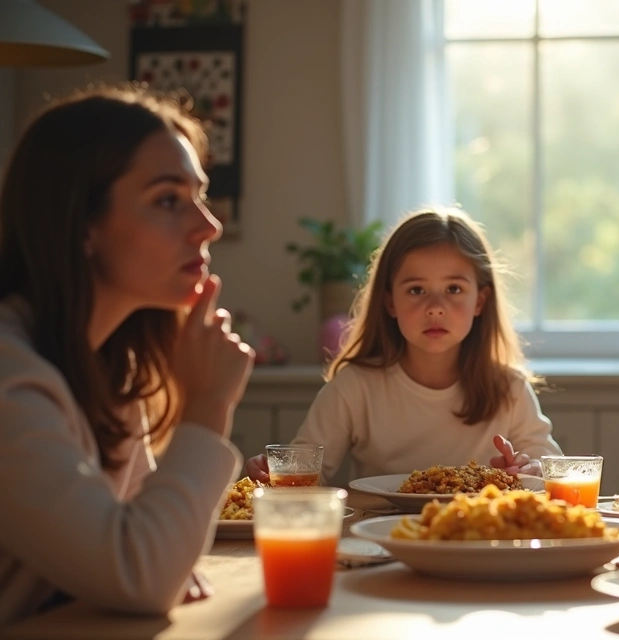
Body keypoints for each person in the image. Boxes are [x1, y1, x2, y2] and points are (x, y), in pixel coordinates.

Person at [0, 86, 254, 625]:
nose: (209, 226)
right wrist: (209, 404)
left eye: (200, 195)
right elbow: (142, 572)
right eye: (168, 199)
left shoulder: (111, 366)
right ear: (80, 222)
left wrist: (159, 553)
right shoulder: (9, 376)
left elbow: (147, 535)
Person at [245, 207, 561, 484]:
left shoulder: (510, 389)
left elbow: (551, 472)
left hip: (478, 542)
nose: (435, 307)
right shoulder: (355, 387)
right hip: (376, 546)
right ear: (389, 302)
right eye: (415, 290)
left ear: (480, 301)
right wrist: (271, 474)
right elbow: (304, 469)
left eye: (453, 288)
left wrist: (529, 470)